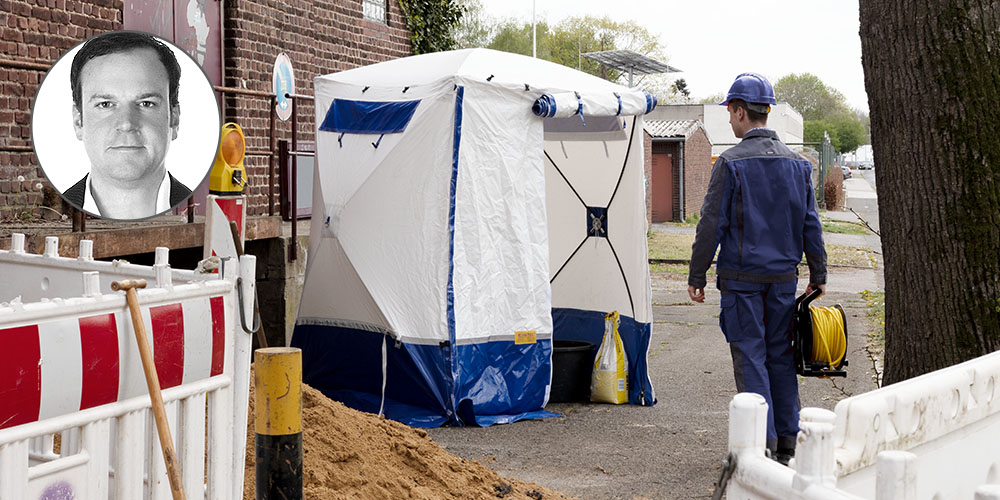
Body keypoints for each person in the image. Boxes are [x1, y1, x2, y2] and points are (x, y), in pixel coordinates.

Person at [687, 72, 827, 465]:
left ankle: (759, 450)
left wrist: (697, 276)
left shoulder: (730, 163)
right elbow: (811, 224)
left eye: (730, 113)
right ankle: (787, 442)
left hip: (742, 282)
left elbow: (710, 224)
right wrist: (819, 274)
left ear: (738, 110)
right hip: (784, 281)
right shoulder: (798, 165)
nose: (729, 120)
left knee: (750, 356)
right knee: (780, 357)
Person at [62, 31, 191, 220]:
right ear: (78, 121)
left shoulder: (207, 209)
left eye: (146, 103)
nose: (126, 123)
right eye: (105, 104)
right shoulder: (46, 212)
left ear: (174, 119)